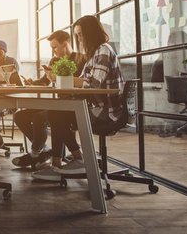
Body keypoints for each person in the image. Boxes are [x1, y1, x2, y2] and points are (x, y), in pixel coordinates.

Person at [32, 15, 125, 181]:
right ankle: (69, 161)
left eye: (81, 34)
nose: (79, 39)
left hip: (105, 113)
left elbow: (93, 83)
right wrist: (56, 78)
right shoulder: (94, 53)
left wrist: (63, 79)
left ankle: (76, 160)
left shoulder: (103, 51)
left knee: (56, 115)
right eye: (77, 35)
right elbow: (80, 82)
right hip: (97, 107)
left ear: (91, 33)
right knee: (56, 113)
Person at [11, 30, 86, 168]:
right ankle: (42, 150)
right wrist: (32, 83)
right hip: (57, 105)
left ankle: (36, 153)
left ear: (65, 44)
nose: (53, 52)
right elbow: (44, 81)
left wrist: (58, 77)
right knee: (20, 116)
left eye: (54, 47)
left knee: (41, 117)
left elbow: (80, 83)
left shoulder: (81, 59)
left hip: (72, 107)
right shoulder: (54, 61)